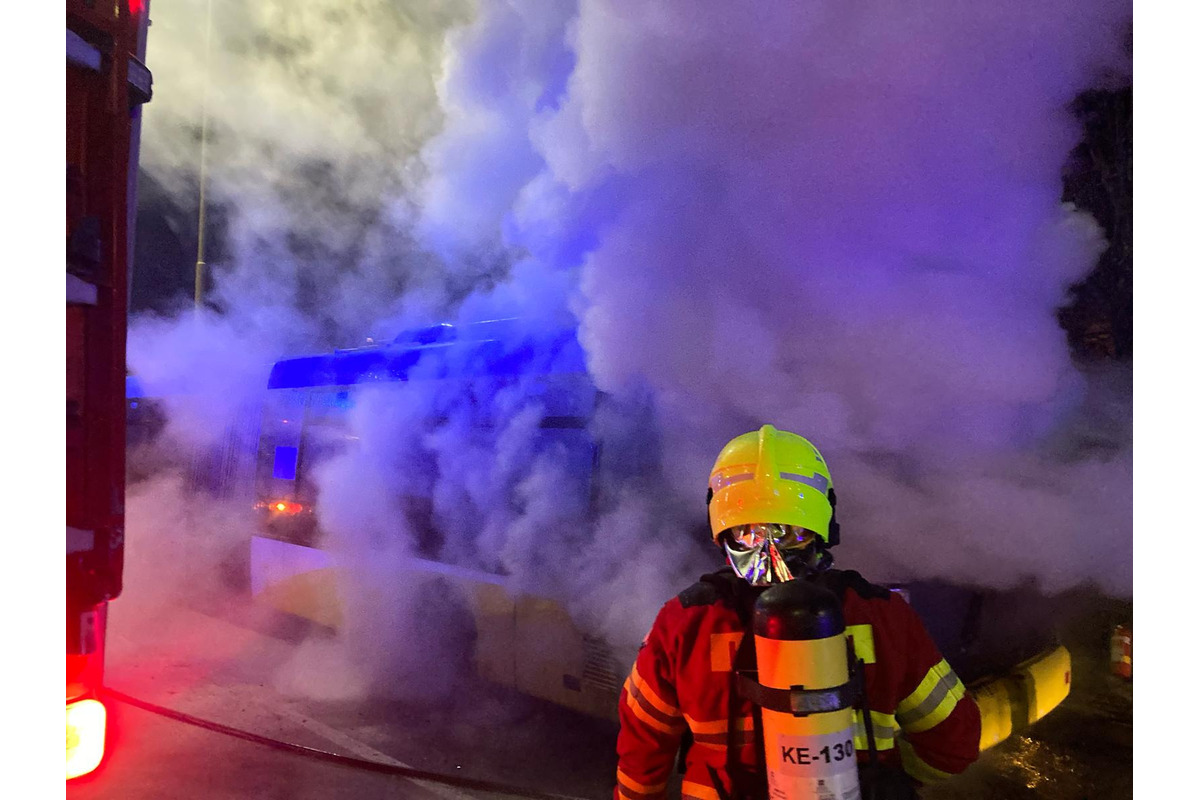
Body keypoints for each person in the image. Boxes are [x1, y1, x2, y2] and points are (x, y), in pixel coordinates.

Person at [614, 425, 980, 800]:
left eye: (785, 532)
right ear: (823, 521)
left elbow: (641, 754)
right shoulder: (884, 617)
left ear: (719, 524)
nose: (768, 549)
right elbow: (956, 743)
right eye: (752, 533)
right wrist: (893, 780)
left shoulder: (683, 623)